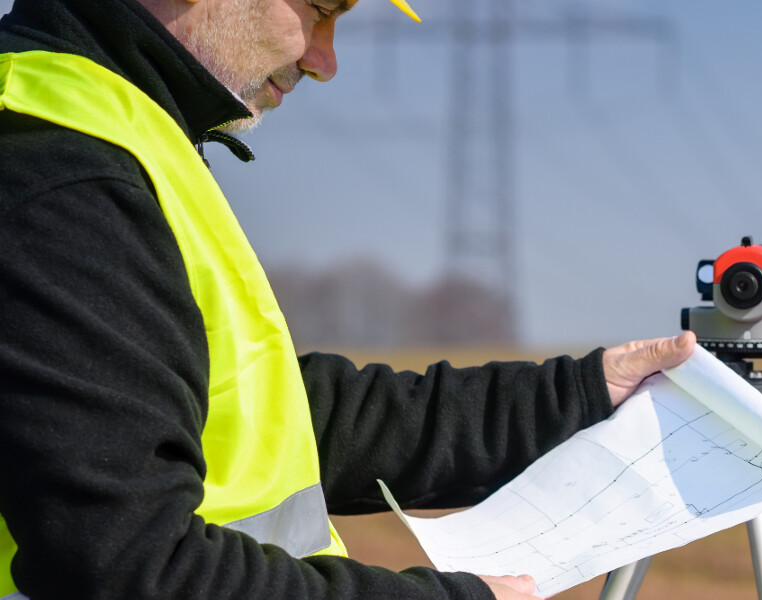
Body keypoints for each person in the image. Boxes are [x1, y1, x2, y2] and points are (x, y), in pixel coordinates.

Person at [0, 0, 695, 598]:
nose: (325, 61)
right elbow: (127, 567)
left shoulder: (116, 133)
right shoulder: (65, 175)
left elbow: (292, 422)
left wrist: (579, 393)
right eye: (321, 11)